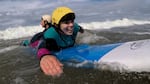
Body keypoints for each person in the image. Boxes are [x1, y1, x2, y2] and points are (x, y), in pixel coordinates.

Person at [37, 6, 84, 77]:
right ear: (56, 25)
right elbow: (42, 44)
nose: (71, 25)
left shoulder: (75, 26)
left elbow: (81, 29)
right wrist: (45, 55)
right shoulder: (51, 34)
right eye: (66, 22)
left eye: (72, 21)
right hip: (37, 39)